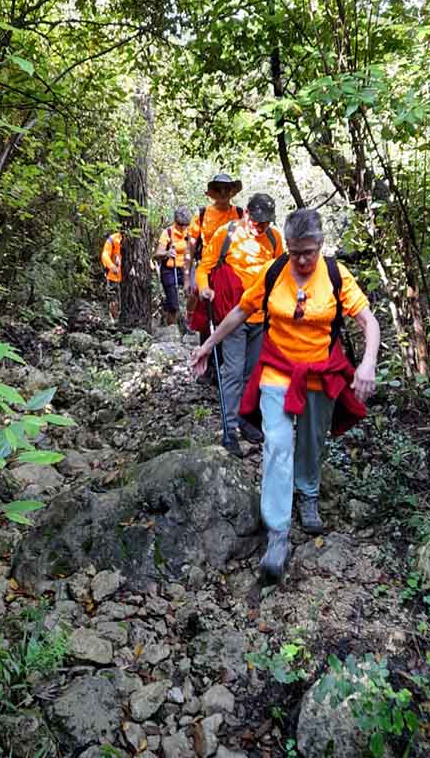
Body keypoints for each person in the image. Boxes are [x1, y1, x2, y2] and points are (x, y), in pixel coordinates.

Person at [190, 208, 379, 582]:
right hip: (277, 370)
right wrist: (207, 345)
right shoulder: (273, 272)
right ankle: (277, 531)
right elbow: (240, 311)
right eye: (295, 252)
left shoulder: (336, 274)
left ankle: (308, 493)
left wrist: (368, 363)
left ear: (321, 244)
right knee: (277, 444)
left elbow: (368, 321)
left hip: (319, 374)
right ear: (287, 247)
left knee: (311, 441)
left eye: (309, 251)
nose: (303, 260)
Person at [195, 193, 284, 457]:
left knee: (251, 372)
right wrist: (204, 288)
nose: (261, 228)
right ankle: (229, 429)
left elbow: (282, 271)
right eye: (257, 222)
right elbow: (203, 268)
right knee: (233, 372)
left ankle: (246, 419)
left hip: (262, 317)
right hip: (233, 315)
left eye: (265, 223)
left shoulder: (274, 238)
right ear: (246, 213)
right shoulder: (226, 234)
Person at [183, 172, 244, 301]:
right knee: (200, 302)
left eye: (226, 189)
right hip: (206, 269)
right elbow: (190, 248)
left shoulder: (240, 214)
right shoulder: (202, 214)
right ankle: (190, 319)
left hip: (233, 271)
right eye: (218, 189)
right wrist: (187, 278)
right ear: (213, 192)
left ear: (231, 191)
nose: (222, 192)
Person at [154, 206, 191, 325]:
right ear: (176, 222)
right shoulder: (167, 233)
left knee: (193, 293)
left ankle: (190, 325)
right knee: (174, 305)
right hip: (169, 270)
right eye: (181, 224)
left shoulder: (189, 232)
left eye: (186, 224)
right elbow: (157, 254)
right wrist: (167, 253)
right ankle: (171, 331)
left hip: (185, 268)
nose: (183, 227)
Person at [100, 231, 122, 320]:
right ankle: (114, 321)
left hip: (129, 278)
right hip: (114, 276)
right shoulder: (113, 239)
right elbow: (105, 255)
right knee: (113, 299)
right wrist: (111, 266)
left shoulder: (136, 238)